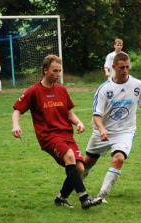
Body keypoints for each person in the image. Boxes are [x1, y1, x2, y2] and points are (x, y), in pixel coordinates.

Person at [11, 54, 102, 210]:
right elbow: (17, 110)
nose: (58, 74)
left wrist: (78, 122)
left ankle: (61, 198)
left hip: (66, 134)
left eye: (60, 71)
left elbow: (68, 113)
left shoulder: (62, 90)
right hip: (48, 136)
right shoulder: (34, 91)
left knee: (80, 168)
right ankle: (84, 198)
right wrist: (16, 125)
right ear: (45, 70)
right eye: (55, 71)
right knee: (70, 156)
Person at [83, 52, 141, 203]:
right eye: (121, 67)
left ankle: (102, 195)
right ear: (113, 67)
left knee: (118, 158)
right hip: (104, 131)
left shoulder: (138, 85)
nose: (125, 70)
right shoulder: (104, 89)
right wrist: (101, 129)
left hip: (125, 131)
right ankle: (78, 186)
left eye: (127, 67)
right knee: (87, 163)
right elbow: (97, 114)